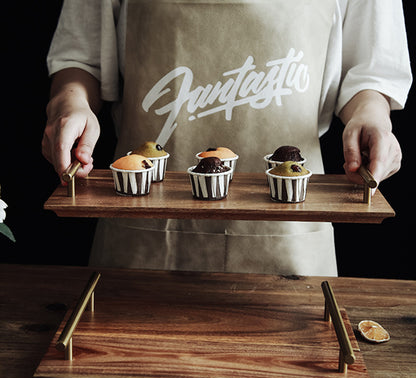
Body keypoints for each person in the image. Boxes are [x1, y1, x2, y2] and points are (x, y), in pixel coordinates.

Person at [42, 0, 412, 276]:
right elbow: (80, 59)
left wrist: (371, 115)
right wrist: (70, 106)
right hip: (141, 230)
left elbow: (370, 74)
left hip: (291, 235)